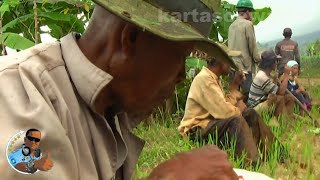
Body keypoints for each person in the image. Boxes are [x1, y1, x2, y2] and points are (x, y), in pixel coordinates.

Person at [0, 0, 240, 179]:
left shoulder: (109, 107)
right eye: (180, 57)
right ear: (130, 39)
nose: (180, 76)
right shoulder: (19, 97)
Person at [178, 47, 277, 166]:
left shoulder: (213, 78)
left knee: (250, 113)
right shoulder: (205, 79)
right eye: (229, 60)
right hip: (196, 131)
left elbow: (224, 104)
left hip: (210, 123)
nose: (231, 64)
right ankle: (252, 163)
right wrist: (239, 109)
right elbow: (224, 113)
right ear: (221, 61)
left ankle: (275, 153)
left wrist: (235, 85)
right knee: (236, 119)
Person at [248, 49, 295, 120]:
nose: (277, 63)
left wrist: (275, 79)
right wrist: (286, 75)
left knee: (290, 98)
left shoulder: (266, 75)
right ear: (271, 63)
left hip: (262, 103)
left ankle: (288, 121)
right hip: (255, 109)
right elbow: (281, 93)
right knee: (279, 98)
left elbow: (273, 92)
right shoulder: (262, 77)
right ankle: (279, 122)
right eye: (276, 61)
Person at [228, 0, 261, 97]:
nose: (251, 15)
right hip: (244, 67)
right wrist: (258, 60)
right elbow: (252, 46)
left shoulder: (231, 26)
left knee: (233, 94)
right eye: (251, 12)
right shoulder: (248, 24)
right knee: (248, 95)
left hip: (232, 66)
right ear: (247, 12)